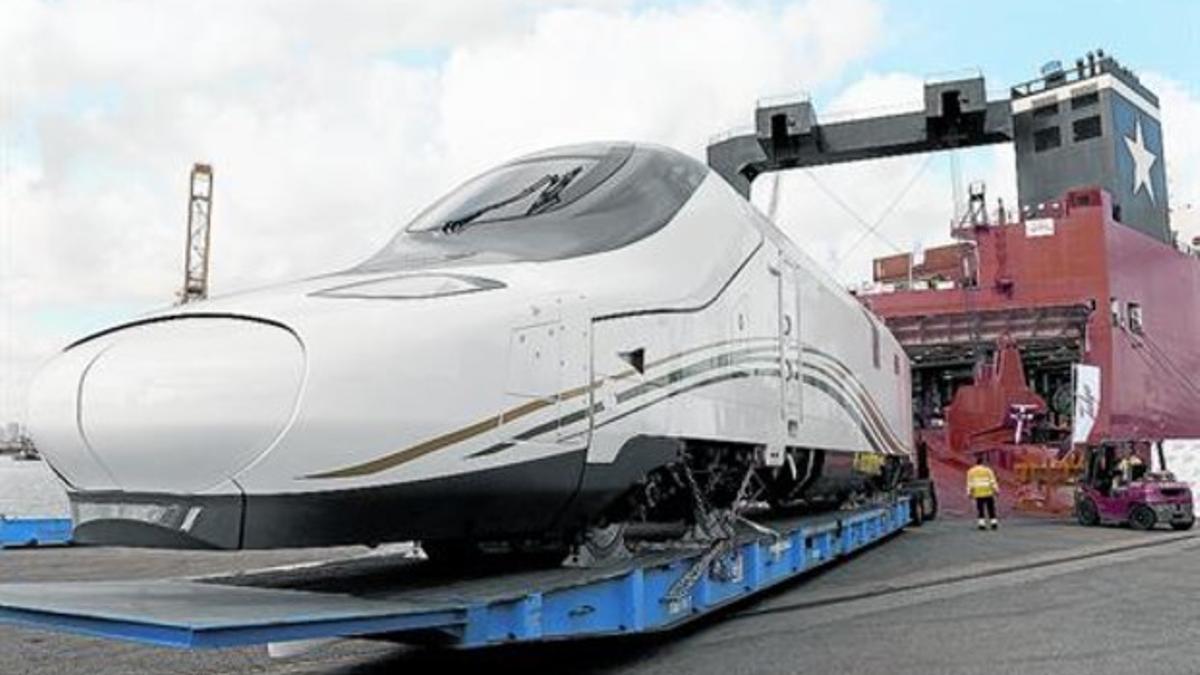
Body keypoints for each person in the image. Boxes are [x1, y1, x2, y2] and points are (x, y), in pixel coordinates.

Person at [966, 455, 1000, 530]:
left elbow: (970, 483)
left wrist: (969, 493)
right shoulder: (988, 470)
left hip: (978, 493)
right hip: (988, 492)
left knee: (980, 509)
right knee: (991, 509)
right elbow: (992, 481)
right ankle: (993, 523)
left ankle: (981, 524)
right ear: (983, 463)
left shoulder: (971, 471)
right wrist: (996, 491)